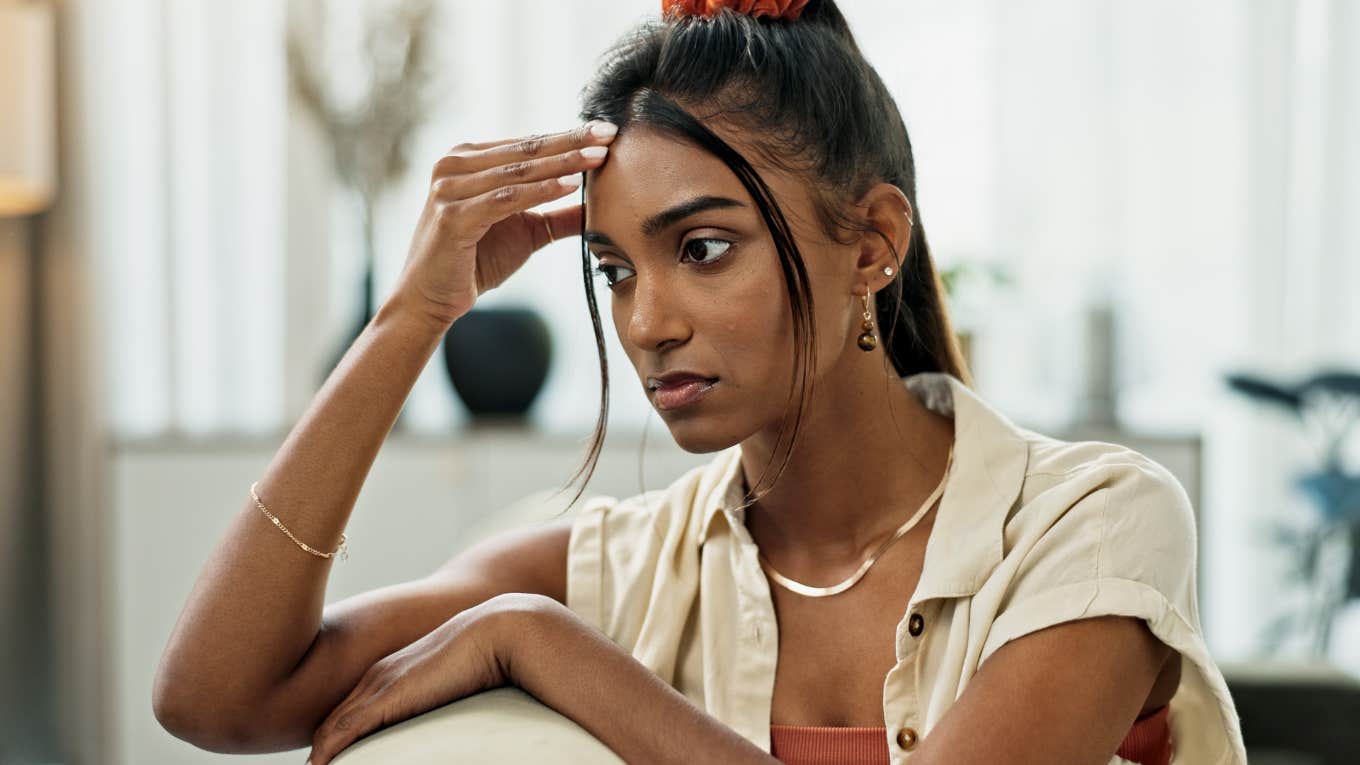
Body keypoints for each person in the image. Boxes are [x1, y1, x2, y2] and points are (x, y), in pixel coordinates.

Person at [152, 1, 1248, 764]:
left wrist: (546, 647)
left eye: (704, 248)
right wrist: (412, 316)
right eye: (614, 269)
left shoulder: (1091, 524)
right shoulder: (622, 564)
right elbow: (214, 697)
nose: (646, 321)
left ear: (871, 244)